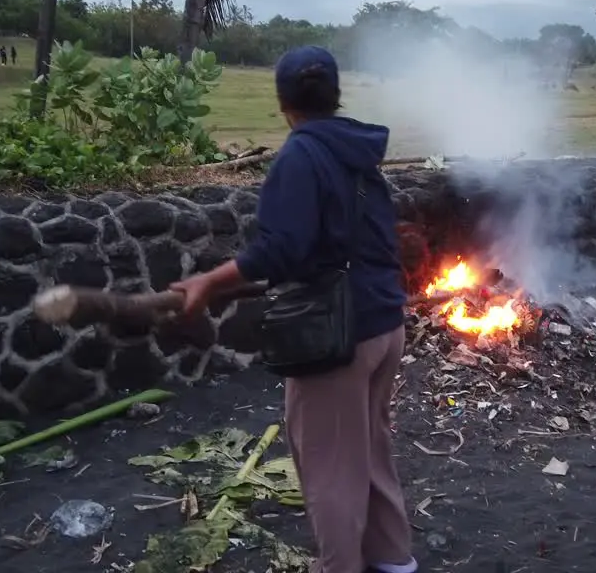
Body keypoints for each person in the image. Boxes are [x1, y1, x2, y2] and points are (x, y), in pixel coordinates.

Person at [169, 45, 417, 573]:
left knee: (329, 468)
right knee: (370, 446)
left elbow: (279, 250)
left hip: (339, 335)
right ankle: (395, 560)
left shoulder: (301, 156)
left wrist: (210, 280)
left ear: (284, 102)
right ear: (335, 95)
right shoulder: (359, 152)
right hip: (384, 325)